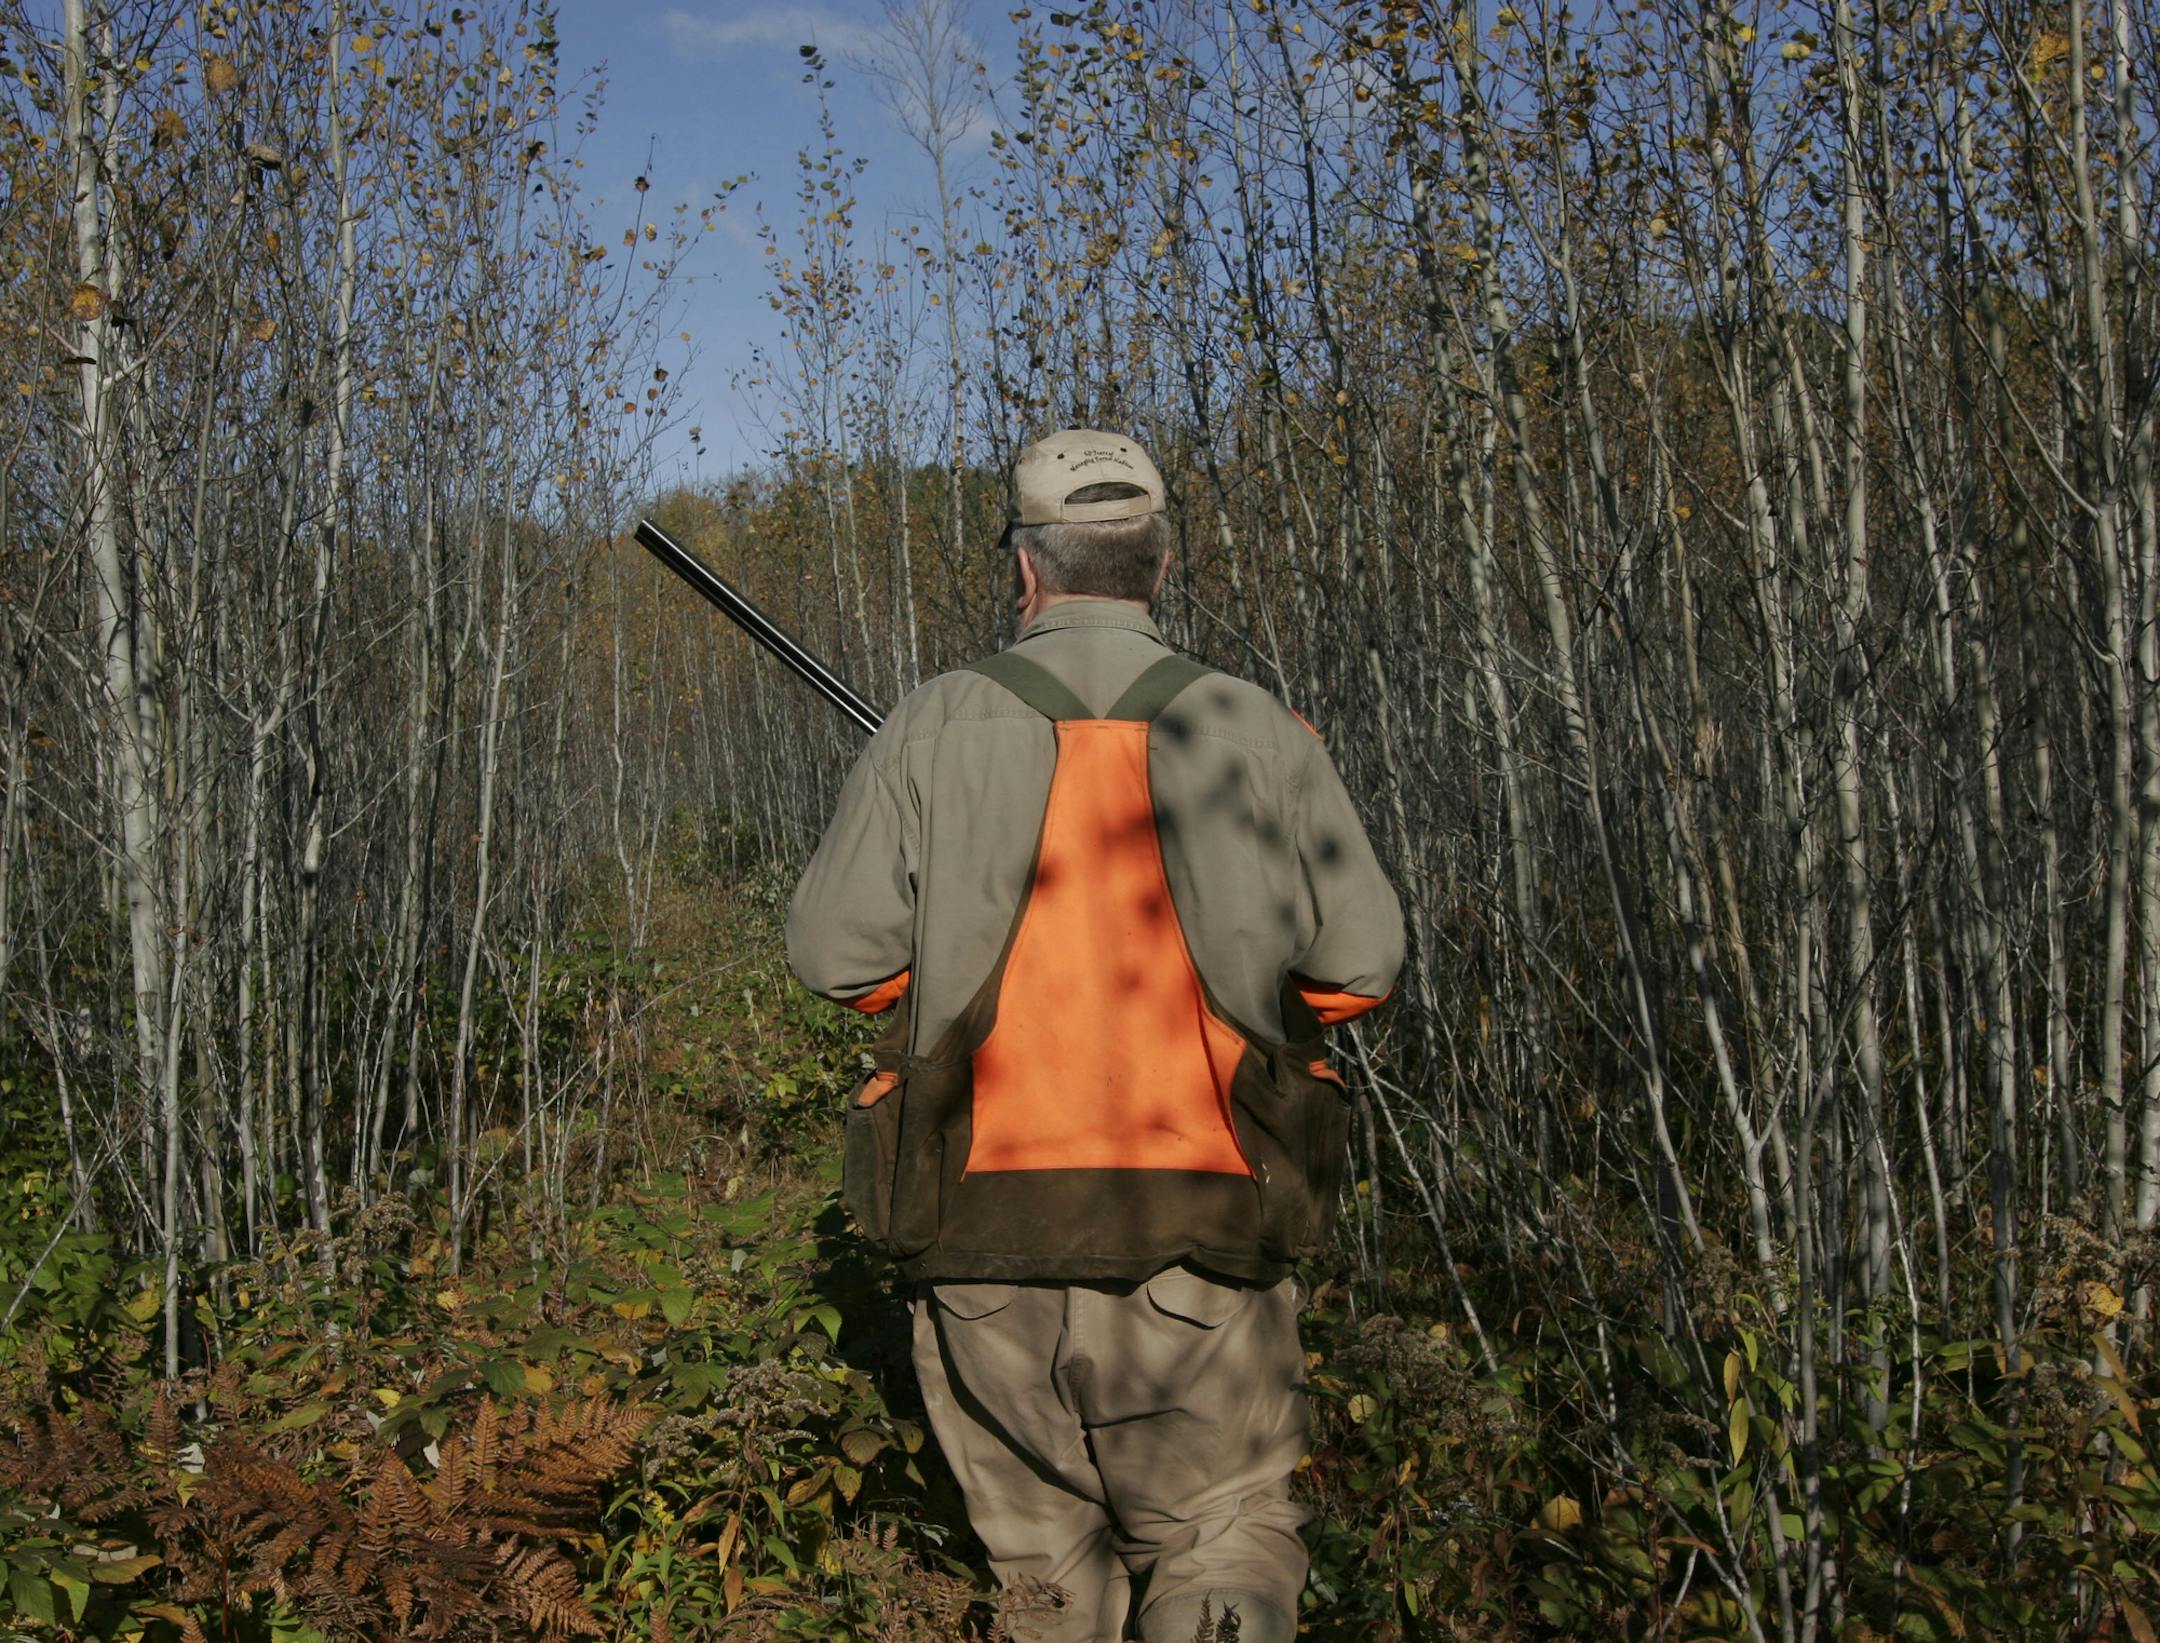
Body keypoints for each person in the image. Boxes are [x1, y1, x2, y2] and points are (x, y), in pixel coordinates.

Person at [786, 429, 1403, 1642]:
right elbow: (1358, 965)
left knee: (1044, 1581)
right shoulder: (1257, 730)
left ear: (1026, 570)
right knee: (1221, 1542)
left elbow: (834, 952)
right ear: (1160, 563)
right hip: (1208, 1236)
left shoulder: (933, 721)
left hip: (982, 1239)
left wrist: (946, 985)